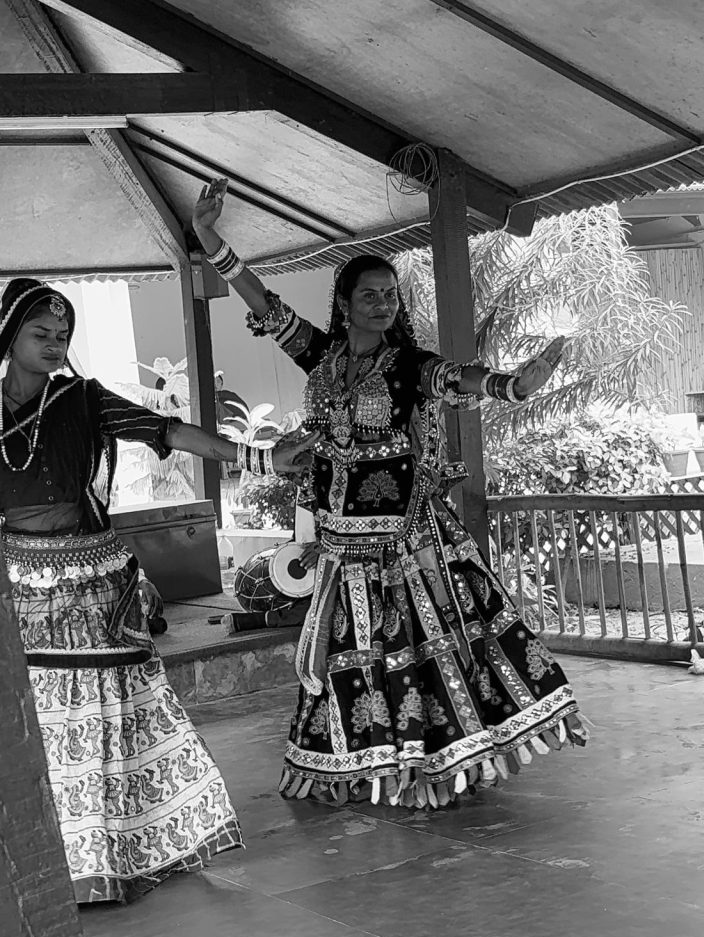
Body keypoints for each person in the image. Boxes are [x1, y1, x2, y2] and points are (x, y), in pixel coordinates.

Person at [192, 179, 588, 810]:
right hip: (341, 539)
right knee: (353, 653)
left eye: (390, 296)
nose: (382, 304)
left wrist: (514, 384)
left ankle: (432, 764)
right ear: (344, 303)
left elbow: (458, 378)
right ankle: (360, 762)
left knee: (421, 649)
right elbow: (262, 301)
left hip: (406, 538)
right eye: (369, 295)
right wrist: (212, 240)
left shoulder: (408, 365)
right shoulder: (318, 356)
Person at [0, 276, 316, 902]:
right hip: (18, 587)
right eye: (42, 334)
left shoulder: (85, 399)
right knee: (36, 720)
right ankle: (48, 855)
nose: (56, 344)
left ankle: (109, 855)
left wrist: (257, 460)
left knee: (105, 717)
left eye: (64, 335)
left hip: (92, 587)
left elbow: (166, 432)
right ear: (9, 338)